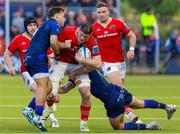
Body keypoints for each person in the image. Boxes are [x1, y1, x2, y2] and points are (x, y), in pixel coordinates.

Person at [60, 69, 176, 130]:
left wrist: (73, 73)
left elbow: (87, 69)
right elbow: (66, 88)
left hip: (112, 100)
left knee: (118, 126)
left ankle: (149, 126)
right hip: (118, 90)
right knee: (141, 103)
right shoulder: (86, 71)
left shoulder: (86, 71)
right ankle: (167, 107)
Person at [3, 16, 59, 128]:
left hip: (41, 70)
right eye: (30, 25)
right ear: (25, 27)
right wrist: (10, 67)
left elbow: (50, 54)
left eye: (34, 25)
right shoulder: (18, 39)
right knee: (39, 89)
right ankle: (44, 117)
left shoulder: (41, 39)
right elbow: (6, 54)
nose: (33, 27)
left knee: (48, 92)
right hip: (27, 71)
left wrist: (51, 59)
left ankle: (29, 109)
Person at [47, 22, 101, 132]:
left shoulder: (91, 41)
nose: (82, 38)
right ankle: (45, 109)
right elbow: (53, 43)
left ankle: (84, 123)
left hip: (78, 66)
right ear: (78, 30)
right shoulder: (67, 31)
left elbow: (98, 63)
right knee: (51, 93)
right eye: (80, 35)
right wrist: (62, 45)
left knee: (86, 94)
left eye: (85, 37)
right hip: (60, 62)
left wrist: (83, 60)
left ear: (90, 35)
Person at [23, 7, 70, 131]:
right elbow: (54, 43)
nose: (64, 18)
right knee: (43, 87)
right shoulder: (54, 24)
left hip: (31, 57)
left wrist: (64, 44)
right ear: (57, 15)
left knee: (48, 88)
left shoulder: (46, 25)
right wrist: (59, 53)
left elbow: (52, 42)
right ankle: (38, 117)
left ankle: (29, 109)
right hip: (37, 57)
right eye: (63, 16)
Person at [93, 2, 140, 122]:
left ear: (108, 12)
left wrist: (131, 50)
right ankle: (131, 115)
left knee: (119, 93)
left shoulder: (118, 23)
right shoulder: (94, 28)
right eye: (99, 12)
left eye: (104, 12)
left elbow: (132, 36)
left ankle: (119, 115)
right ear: (96, 13)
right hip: (106, 64)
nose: (102, 14)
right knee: (119, 88)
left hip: (120, 62)